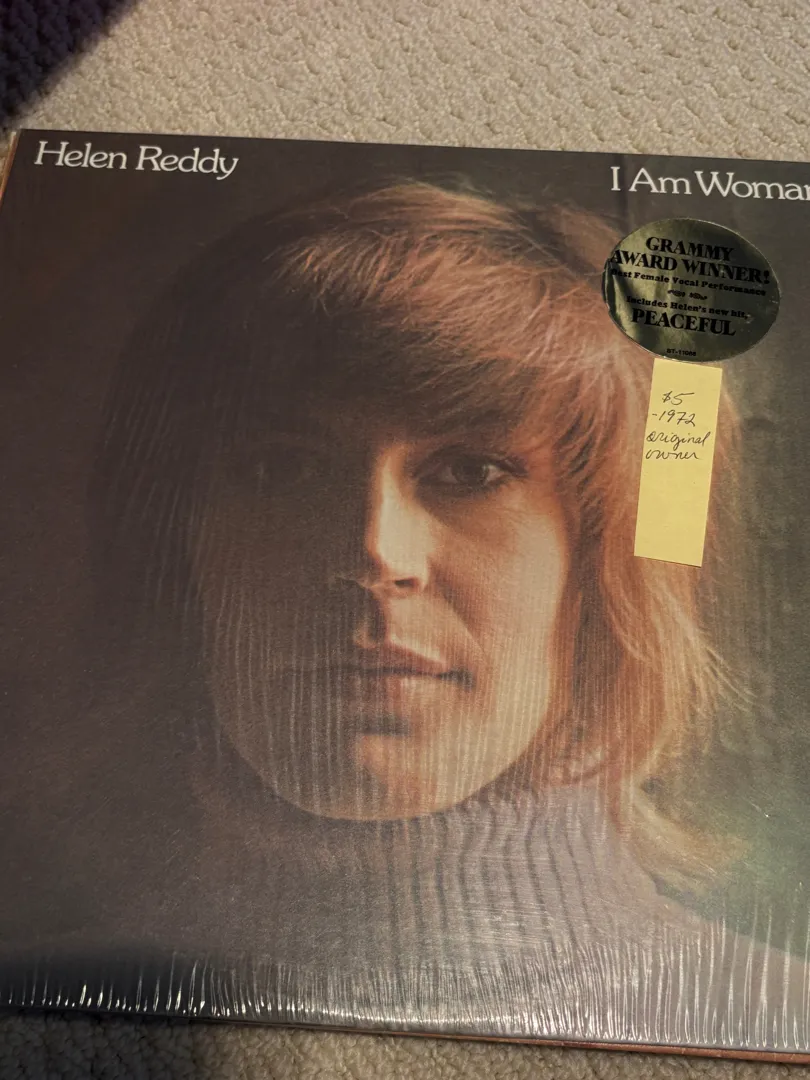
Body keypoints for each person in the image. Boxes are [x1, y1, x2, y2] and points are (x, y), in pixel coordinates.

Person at [7, 180, 805, 1046]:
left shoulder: (776, 1019)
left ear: (605, 564)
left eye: (470, 473)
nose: (374, 555)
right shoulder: (36, 1012)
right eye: (281, 469)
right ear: (183, 547)